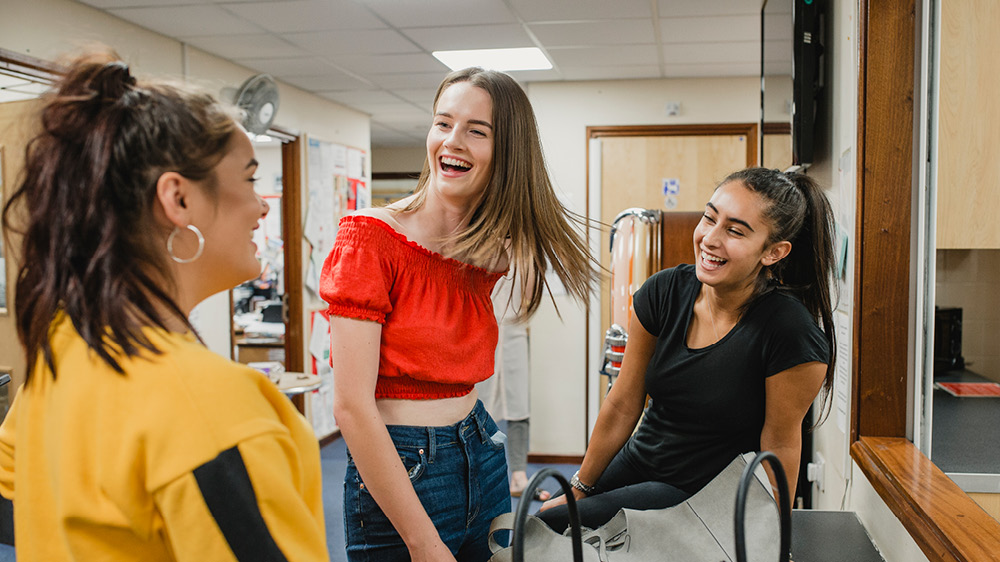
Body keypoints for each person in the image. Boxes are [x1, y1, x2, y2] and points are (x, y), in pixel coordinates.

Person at [0, 52, 328, 561]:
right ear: (178, 200)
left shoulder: (64, 346)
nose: (263, 205)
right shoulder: (212, 406)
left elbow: (12, 496)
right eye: (248, 178)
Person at [320, 66, 597, 561]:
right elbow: (351, 407)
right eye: (443, 123)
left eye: (477, 130)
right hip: (405, 467)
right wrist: (422, 542)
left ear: (507, 152)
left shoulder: (487, 251)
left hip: (483, 451)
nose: (453, 141)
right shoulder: (369, 238)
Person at [539, 167, 837, 531]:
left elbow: (780, 445)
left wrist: (775, 538)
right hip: (639, 460)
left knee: (561, 529)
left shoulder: (791, 332)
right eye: (709, 218)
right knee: (545, 524)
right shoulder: (663, 292)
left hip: (701, 494)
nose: (710, 238)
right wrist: (580, 488)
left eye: (735, 230)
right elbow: (623, 402)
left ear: (774, 252)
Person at [476, 274, 551, 502]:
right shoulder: (480, 242)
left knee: (519, 404)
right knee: (479, 404)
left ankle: (518, 476)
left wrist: (530, 257)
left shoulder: (524, 249)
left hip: (515, 330)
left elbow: (530, 295)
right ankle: (478, 475)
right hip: (482, 329)